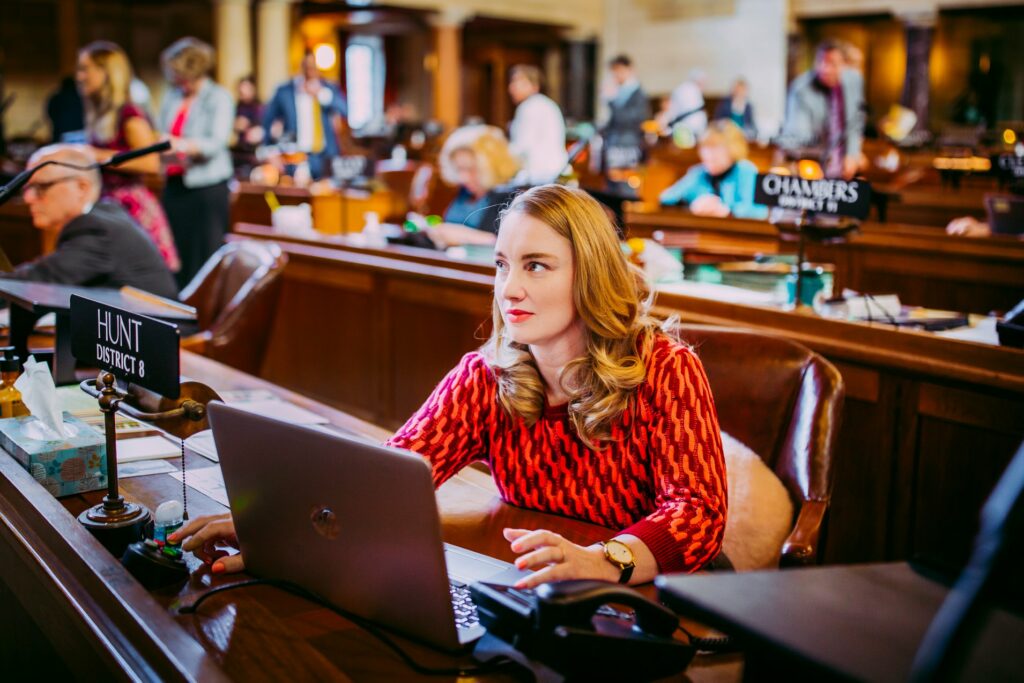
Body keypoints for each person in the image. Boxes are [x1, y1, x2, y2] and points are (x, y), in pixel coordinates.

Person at [170, 185, 728, 587]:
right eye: (502, 263)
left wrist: (602, 560)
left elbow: (698, 514)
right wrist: (280, 527)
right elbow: (390, 474)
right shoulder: (486, 375)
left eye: (536, 266)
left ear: (593, 274)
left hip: (644, 594)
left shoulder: (666, 369)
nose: (509, 287)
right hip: (532, 584)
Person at [2, 144, 176, 297]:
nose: (28, 198)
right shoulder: (104, 216)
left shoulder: (97, 228)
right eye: (26, 188)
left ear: (81, 187)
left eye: (41, 187)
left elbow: (37, 283)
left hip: (159, 334)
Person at [77, 40, 180, 274]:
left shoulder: (130, 115)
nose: (80, 76)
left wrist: (97, 155)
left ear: (106, 72)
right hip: (107, 205)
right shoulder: (99, 114)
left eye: (86, 69)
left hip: (130, 207)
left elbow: (151, 163)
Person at [156, 37, 235, 289]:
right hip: (176, 184)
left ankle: (204, 311)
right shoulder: (173, 97)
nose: (175, 78)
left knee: (204, 255)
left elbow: (216, 142)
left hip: (207, 187)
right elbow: (161, 130)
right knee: (177, 252)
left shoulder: (218, 97)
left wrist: (180, 144)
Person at [778, 39, 865, 180]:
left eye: (833, 64)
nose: (825, 69)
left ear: (845, 65)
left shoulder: (854, 80)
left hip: (841, 164)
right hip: (810, 159)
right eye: (821, 62)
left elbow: (855, 122)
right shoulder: (801, 89)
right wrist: (825, 158)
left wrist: (852, 154)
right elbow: (800, 136)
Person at [428, 125, 520, 247]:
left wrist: (461, 236)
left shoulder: (510, 198)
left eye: (471, 169)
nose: (463, 178)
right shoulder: (463, 193)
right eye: (458, 169)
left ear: (491, 167)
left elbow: (506, 245)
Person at [262, 50, 348, 180]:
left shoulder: (328, 88)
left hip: (325, 156)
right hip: (295, 157)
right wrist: (270, 151)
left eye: (313, 67)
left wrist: (321, 93)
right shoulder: (285, 91)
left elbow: (345, 110)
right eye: (306, 66)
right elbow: (267, 121)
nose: (310, 71)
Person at [659, 120, 767, 219]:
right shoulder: (699, 173)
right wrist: (691, 206)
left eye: (715, 148)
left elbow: (759, 212)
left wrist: (726, 211)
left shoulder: (746, 171)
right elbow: (666, 198)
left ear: (733, 149)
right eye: (706, 147)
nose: (708, 154)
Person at [508, 64, 568, 185]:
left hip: (541, 177)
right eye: (512, 82)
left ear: (535, 86)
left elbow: (522, 146)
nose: (512, 87)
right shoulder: (545, 103)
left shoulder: (530, 106)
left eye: (519, 81)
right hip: (557, 173)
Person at [601, 55, 650, 171]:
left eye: (619, 71)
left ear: (630, 70)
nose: (617, 75)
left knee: (624, 183)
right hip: (615, 143)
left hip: (628, 146)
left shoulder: (637, 94)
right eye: (614, 72)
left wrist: (611, 100)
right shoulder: (620, 91)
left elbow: (629, 120)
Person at [665, 68, 708, 138]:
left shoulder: (680, 89)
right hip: (690, 131)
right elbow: (697, 118)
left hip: (681, 130)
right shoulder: (694, 90)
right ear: (700, 81)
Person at [45, 76, 84, 143]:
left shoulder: (56, 98)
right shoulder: (82, 97)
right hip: (81, 135)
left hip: (60, 134)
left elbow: (50, 113)